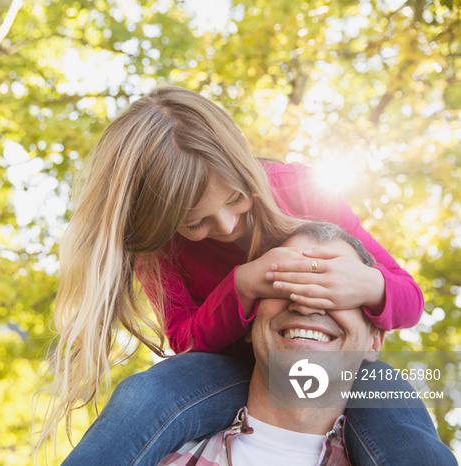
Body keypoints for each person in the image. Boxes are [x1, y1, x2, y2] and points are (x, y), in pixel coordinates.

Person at [38, 85, 431, 465]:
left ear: (243, 169)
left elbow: (410, 299)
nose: (226, 225)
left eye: (233, 200)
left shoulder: (298, 188)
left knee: (398, 414)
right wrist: (241, 286)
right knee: (146, 394)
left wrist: (369, 284)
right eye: (196, 222)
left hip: (328, 357)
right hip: (226, 370)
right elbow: (184, 338)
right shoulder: (160, 250)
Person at [158, 223, 455, 465]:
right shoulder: (159, 455)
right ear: (247, 324)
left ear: (374, 341)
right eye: (285, 281)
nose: (307, 304)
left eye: (336, 289)